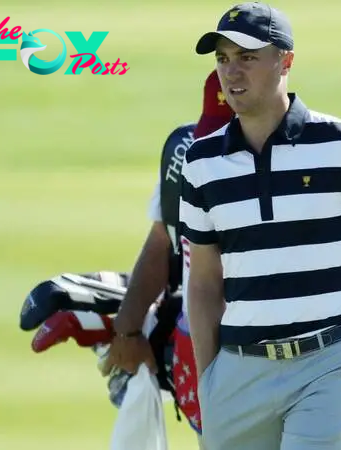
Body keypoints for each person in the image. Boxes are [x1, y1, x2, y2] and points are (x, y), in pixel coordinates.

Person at [181, 3, 341, 449]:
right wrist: (209, 378)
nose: (232, 72)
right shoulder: (201, 162)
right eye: (223, 59)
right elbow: (202, 280)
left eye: (247, 57)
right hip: (238, 371)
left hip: (329, 362)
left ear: (286, 61)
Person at [99, 68, 235, 445]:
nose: (220, 147)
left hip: (272, 351)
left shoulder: (300, 161)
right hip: (199, 346)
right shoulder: (187, 154)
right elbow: (162, 241)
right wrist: (127, 328)